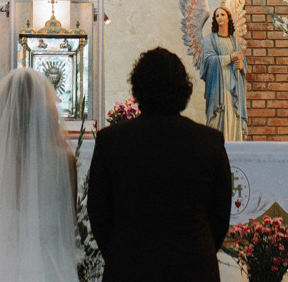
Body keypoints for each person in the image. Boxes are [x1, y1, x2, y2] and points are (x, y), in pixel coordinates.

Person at [88, 48, 232, 282]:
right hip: (193, 267)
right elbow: (220, 214)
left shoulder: (111, 141)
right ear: (183, 89)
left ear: (137, 89)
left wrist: (120, 253)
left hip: (129, 265)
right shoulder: (209, 141)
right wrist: (198, 248)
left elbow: (99, 212)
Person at [0, 67, 78, 282]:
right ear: (46, 111)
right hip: (49, 265)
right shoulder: (64, 159)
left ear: (3, 110)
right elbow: (69, 220)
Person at [198, 7, 247, 140]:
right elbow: (208, 61)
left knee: (233, 117)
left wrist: (241, 66)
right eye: (217, 15)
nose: (219, 17)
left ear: (228, 18)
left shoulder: (234, 42)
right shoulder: (209, 40)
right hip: (217, 87)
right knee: (217, 119)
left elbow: (243, 66)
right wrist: (230, 58)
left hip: (232, 88)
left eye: (222, 15)